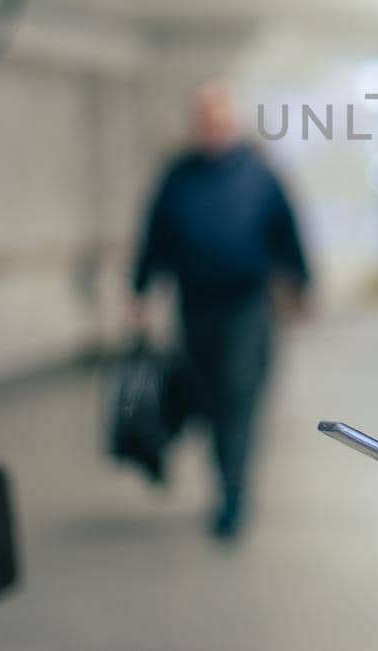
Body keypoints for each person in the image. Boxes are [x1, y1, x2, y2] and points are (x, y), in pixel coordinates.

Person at [131, 81, 310, 540]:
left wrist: (301, 283)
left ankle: (233, 493)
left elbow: (287, 229)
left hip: (247, 305)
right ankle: (220, 478)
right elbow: (154, 234)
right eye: (204, 119)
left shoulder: (258, 173)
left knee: (237, 396)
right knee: (208, 399)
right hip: (195, 304)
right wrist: (139, 290)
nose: (212, 127)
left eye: (219, 118)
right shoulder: (178, 175)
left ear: (232, 121)